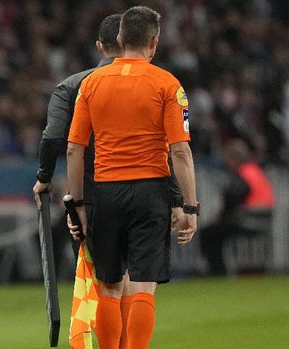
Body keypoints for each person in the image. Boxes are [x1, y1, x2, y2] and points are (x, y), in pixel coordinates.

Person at [67, 6, 198, 349]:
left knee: (109, 285)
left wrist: (77, 203)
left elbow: (74, 150)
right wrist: (189, 206)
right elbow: (180, 151)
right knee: (142, 285)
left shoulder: (91, 83)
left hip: (106, 193)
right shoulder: (167, 84)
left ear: (120, 39)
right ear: (154, 42)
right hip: (150, 192)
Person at [199, 138, 275, 275]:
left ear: (234, 158)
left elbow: (233, 197)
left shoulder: (242, 174)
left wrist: (221, 217)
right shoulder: (255, 171)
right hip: (265, 217)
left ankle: (217, 271)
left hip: (248, 218)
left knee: (209, 234)